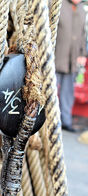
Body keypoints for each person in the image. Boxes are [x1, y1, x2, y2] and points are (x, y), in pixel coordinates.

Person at [55, 0, 87, 132]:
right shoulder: (58, 4)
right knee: (49, 90)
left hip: (72, 60)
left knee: (68, 93)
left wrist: (82, 54)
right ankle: (45, 120)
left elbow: (82, 35)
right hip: (56, 57)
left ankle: (65, 121)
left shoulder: (81, 10)